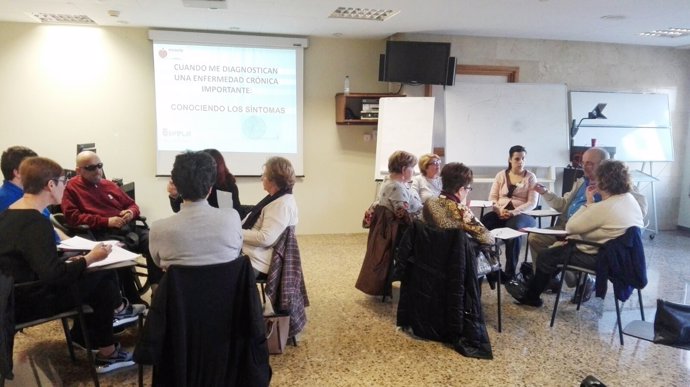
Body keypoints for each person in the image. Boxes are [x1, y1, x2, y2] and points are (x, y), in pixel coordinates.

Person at [0, 157, 139, 373]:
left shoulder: (11, 213)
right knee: (101, 274)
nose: (67, 186)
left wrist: (77, 259)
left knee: (97, 276)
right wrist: (89, 259)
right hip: (24, 303)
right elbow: (53, 275)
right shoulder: (36, 223)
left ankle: (102, 342)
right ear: (51, 185)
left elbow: (35, 259)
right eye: (64, 181)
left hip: (12, 296)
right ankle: (111, 334)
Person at [513, 159, 645, 307]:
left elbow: (571, 226)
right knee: (551, 250)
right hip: (619, 257)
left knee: (547, 256)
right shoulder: (628, 199)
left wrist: (588, 203)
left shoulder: (606, 206)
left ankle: (532, 297)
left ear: (603, 182)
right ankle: (540, 287)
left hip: (600, 256)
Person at [61, 151, 162, 302]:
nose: (97, 171)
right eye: (91, 168)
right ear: (79, 170)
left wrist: (130, 212)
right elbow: (73, 218)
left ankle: (158, 292)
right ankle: (131, 300)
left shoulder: (108, 184)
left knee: (156, 242)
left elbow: (132, 204)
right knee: (120, 254)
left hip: (127, 228)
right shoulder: (71, 189)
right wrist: (106, 221)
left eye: (99, 166)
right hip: (103, 232)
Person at [151, 151, 243, 269]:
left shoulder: (157, 229)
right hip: (224, 286)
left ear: (177, 186)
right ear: (209, 188)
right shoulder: (232, 219)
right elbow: (236, 252)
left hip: (180, 286)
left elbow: (159, 263)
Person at [481, 145, 538, 279]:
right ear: (510, 159)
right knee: (483, 223)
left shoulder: (530, 177)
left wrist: (514, 212)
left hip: (522, 214)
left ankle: (510, 273)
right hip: (501, 211)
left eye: (523, 158)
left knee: (512, 229)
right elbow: (492, 197)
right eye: (517, 159)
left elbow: (532, 203)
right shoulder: (501, 175)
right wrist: (498, 209)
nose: (520, 162)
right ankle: (491, 268)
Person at [242, 156, 298, 276]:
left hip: (257, 261)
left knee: (218, 268)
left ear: (273, 180)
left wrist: (234, 232)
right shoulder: (277, 198)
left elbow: (265, 238)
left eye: (264, 175)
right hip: (251, 254)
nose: (262, 178)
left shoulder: (281, 205)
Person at [0, 146, 67, 242]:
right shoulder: (8, 201)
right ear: (17, 173)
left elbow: (51, 228)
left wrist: (70, 242)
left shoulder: (30, 196)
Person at [424, 162, 494, 246]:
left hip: (429, 252)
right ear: (461, 190)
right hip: (455, 255)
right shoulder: (462, 211)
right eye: (468, 188)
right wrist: (463, 206)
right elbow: (488, 239)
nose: (468, 191)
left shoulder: (429, 202)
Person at [167, 148, 243, 215]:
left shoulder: (227, 186)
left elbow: (231, 213)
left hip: (220, 226)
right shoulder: (196, 182)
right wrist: (174, 195)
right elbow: (179, 210)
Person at [376, 150, 423, 219]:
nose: (414, 171)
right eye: (412, 167)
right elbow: (404, 218)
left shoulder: (388, 180)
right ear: (404, 169)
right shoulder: (396, 188)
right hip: (410, 227)